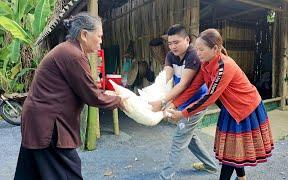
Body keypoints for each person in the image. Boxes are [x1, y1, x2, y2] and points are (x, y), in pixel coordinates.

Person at [14, 12, 124, 180]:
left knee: (31, 173)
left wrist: (108, 94)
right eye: (99, 36)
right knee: (68, 172)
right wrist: (121, 100)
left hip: (37, 120)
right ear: (84, 35)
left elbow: (84, 89)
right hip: (49, 124)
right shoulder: (74, 55)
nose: (101, 41)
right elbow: (93, 96)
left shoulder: (68, 50)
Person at [165, 29, 274, 180]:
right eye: (196, 49)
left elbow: (209, 97)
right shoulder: (206, 64)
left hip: (245, 108)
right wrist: (175, 104)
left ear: (215, 49)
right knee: (234, 148)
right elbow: (193, 87)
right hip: (230, 108)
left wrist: (183, 113)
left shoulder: (224, 66)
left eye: (201, 49)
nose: (197, 53)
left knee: (231, 152)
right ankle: (242, 178)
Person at [149, 24, 217, 180]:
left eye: (177, 42)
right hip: (183, 100)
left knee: (180, 138)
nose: (173, 46)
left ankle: (165, 176)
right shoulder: (170, 55)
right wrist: (155, 95)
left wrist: (164, 101)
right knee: (188, 135)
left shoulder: (193, 55)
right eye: (170, 43)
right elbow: (165, 79)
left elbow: (183, 84)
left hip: (197, 102)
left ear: (187, 40)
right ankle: (210, 166)